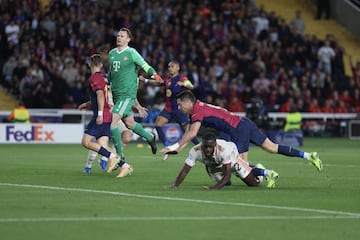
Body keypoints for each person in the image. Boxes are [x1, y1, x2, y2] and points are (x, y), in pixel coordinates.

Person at [160, 90, 323, 172]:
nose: (179, 108)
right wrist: (176, 149)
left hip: (238, 129)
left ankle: (266, 173)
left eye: (180, 104)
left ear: (187, 102)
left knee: (241, 165)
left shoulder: (197, 111)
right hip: (243, 122)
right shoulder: (197, 109)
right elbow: (188, 134)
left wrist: (174, 146)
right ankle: (309, 156)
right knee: (272, 148)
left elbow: (192, 133)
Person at [107, 27, 164, 172]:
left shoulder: (131, 53)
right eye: (118, 35)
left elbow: (145, 65)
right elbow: (111, 73)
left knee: (113, 122)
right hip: (117, 94)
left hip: (127, 95)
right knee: (130, 124)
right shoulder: (112, 53)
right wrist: (106, 83)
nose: (119, 38)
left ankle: (120, 157)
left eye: (122, 36)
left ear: (128, 39)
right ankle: (150, 137)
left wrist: (154, 74)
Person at [79, 53, 133, 178]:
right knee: (103, 146)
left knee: (86, 142)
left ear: (89, 64)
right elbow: (103, 95)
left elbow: (100, 95)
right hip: (108, 113)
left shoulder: (94, 78)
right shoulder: (104, 77)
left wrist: (99, 114)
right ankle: (125, 166)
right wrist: (88, 104)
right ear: (101, 65)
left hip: (103, 115)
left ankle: (112, 157)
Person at [171, 132, 279, 189]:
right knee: (226, 183)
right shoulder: (195, 150)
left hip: (232, 156)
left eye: (210, 147)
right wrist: (175, 185)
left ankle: (259, 170)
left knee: (254, 184)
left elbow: (227, 174)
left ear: (215, 145)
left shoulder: (224, 150)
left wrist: (215, 188)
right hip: (215, 163)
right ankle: (248, 167)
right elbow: (185, 170)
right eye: (205, 146)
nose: (207, 149)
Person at [143, 60, 200, 160]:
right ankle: (167, 146)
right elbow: (159, 83)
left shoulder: (182, 78)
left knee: (189, 133)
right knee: (158, 124)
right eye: (169, 67)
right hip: (168, 109)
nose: (169, 68)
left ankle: (201, 146)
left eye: (172, 66)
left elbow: (190, 86)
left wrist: (184, 84)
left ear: (177, 68)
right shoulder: (168, 80)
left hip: (180, 110)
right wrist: (146, 80)